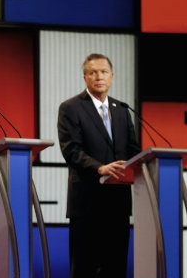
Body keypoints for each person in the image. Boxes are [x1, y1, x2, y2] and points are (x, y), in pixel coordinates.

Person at [57, 53, 141, 278]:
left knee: (115, 268)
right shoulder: (71, 108)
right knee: (85, 269)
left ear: (112, 77)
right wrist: (99, 168)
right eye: (93, 72)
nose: (99, 77)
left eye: (104, 72)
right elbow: (70, 150)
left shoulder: (122, 110)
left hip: (118, 203)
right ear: (85, 77)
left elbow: (133, 150)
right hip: (87, 203)